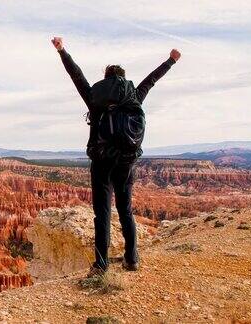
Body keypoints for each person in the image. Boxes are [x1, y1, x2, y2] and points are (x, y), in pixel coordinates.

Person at [51, 36, 180, 274]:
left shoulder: (96, 99)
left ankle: (101, 264)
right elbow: (150, 81)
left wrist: (62, 51)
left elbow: (76, 76)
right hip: (127, 162)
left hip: (101, 162)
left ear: (106, 78)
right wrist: (170, 61)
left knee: (102, 213)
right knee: (125, 210)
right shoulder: (133, 97)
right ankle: (132, 259)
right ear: (122, 78)